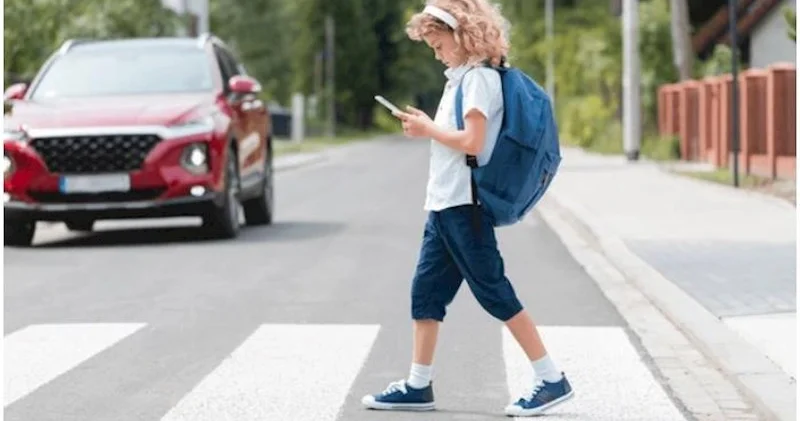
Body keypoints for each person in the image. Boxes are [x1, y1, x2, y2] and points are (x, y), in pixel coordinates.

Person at [360, 0, 574, 417]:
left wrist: (427, 129)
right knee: (425, 295)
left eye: (439, 45)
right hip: (444, 206)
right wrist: (428, 126)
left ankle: (552, 379)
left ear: (462, 36)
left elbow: (473, 143)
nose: (436, 53)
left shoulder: (478, 79)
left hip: (464, 206)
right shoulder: (461, 78)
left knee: (495, 292)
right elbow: (457, 136)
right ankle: (418, 386)